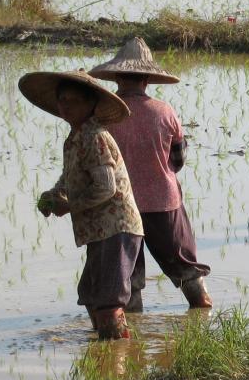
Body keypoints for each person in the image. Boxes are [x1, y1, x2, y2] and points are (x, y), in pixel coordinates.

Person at [89, 37, 211, 311]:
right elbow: (177, 161)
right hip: (162, 203)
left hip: (118, 207)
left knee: (127, 275)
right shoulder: (164, 112)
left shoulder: (102, 114)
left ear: (118, 78)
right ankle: (202, 311)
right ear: (147, 79)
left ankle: (135, 340)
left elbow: (95, 163)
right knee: (185, 266)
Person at [25, 69, 143, 340]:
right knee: (90, 294)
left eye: (74, 101)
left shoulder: (95, 136)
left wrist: (69, 206)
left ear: (91, 104)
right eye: (62, 100)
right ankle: (105, 351)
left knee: (108, 300)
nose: (66, 107)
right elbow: (70, 177)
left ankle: (117, 360)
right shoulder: (76, 138)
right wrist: (53, 194)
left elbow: (105, 186)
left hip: (117, 227)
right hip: (99, 230)